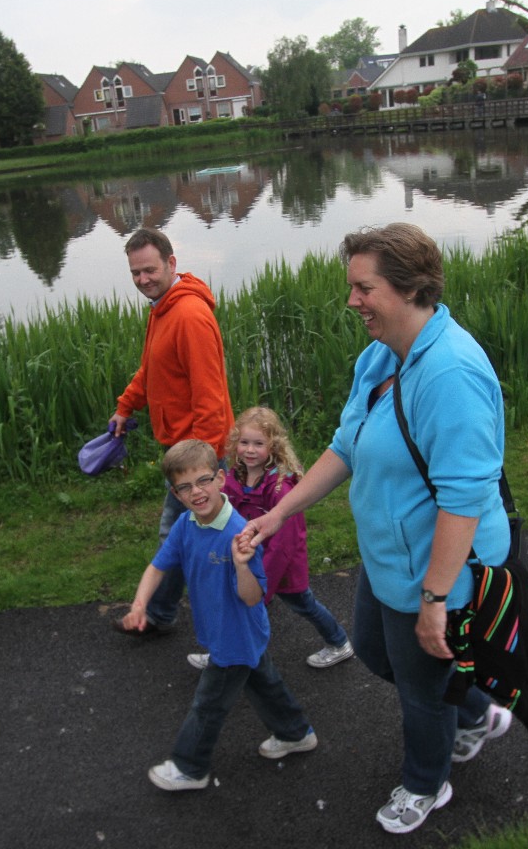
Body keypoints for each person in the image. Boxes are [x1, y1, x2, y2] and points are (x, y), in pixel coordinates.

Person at [239, 224, 514, 835]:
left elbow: (465, 499)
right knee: (371, 647)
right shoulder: (380, 356)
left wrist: (436, 600)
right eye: (352, 288)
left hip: (440, 569)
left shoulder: (450, 374)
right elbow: (347, 446)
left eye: (364, 288)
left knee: (420, 689)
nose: (352, 300)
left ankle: (426, 783)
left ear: (411, 288)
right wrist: (280, 511)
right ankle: (476, 710)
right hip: (391, 554)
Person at [120, 440, 315, 791]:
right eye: (184, 487)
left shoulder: (239, 534)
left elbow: (252, 597)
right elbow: (157, 566)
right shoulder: (185, 525)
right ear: (175, 494)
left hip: (234, 635)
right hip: (223, 630)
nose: (196, 492)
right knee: (263, 681)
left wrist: (241, 565)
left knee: (208, 705)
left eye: (203, 481)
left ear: (221, 479)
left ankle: (190, 767)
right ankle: (296, 732)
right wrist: (139, 605)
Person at [108, 228, 233, 637]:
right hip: (184, 452)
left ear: (171, 263)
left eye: (150, 270)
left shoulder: (189, 316)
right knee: (199, 533)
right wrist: (126, 406)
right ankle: (251, 594)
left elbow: (210, 397)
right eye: (135, 273)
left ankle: (162, 614)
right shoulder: (162, 309)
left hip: (197, 456)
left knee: (177, 535)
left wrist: (201, 468)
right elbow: (152, 370)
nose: (143, 279)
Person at [186, 406, 353, 671]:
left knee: (304, 604)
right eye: (244, 442)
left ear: (273, 446)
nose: (249, 450)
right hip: (251, 558)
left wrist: (263, 585)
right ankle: (223, 653)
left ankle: (339, 642)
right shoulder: (236, 475)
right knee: (237, 605)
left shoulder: (280, 488)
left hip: (281, 565)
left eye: (258, 444)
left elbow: (284, 545)